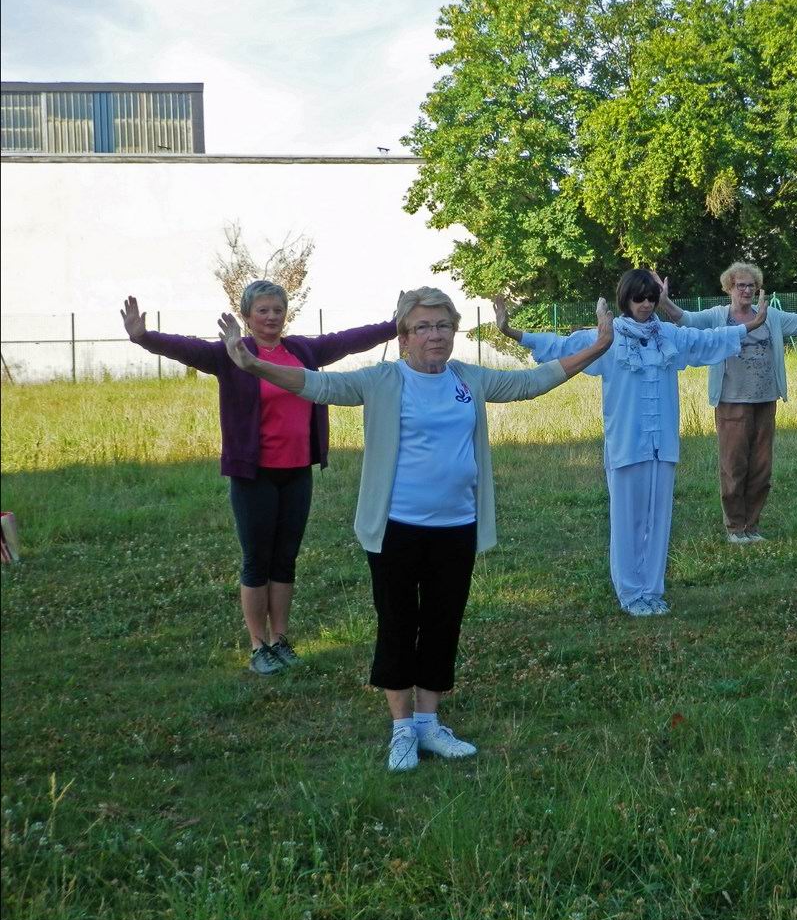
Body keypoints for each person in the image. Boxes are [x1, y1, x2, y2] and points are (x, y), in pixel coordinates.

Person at [220, 287, 613, 772]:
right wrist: (255, 365)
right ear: (404, 336)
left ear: (454, 332)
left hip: (457, 526)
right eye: (423, 327)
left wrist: (597, 347)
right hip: (397, 529)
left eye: (443, 325)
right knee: (399, 624)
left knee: (443, 624)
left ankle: (429, 723)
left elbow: (531, 381)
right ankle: (401, 729)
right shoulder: (383, 380)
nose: (434, 335)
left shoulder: (467, 378)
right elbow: (315, 385)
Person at [121, 283, 397, 675]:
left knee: (285, 559)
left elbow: (349, 340)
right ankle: (258, 644)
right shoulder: (231, 353)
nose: (271, 317)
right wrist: (144, 337)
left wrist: (394, 325)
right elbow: (185, 347)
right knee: (257, 560)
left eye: (277, 310)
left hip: (297, 471)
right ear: (248, 316)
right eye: (263, 311)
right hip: (254, 474)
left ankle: (280, 638)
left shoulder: (303, 351)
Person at [494, 269, 766, 616]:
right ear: (626, 299)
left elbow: (706, 340)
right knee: (627, 521)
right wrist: (511, 331)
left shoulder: (668, 335)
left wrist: (751, 325)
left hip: (661, 444)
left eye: (652, 298)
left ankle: (652, 590)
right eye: (639, 298)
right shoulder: (607, 338)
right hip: (627, 444)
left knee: (658, 518)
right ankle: (630, 592)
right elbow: (561, 346)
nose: (647, 304)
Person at [658, 262, 797, 544]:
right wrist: (664, 300)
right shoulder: (718, 316)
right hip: (732, 403)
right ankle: (735, 527)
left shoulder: (770, 316)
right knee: (734, 466)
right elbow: (686, 320)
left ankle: (752, 527)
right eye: (740, 285)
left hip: (765, 401)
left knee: (761, 468)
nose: (746, 290)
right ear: (729, 288)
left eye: (751, 285)